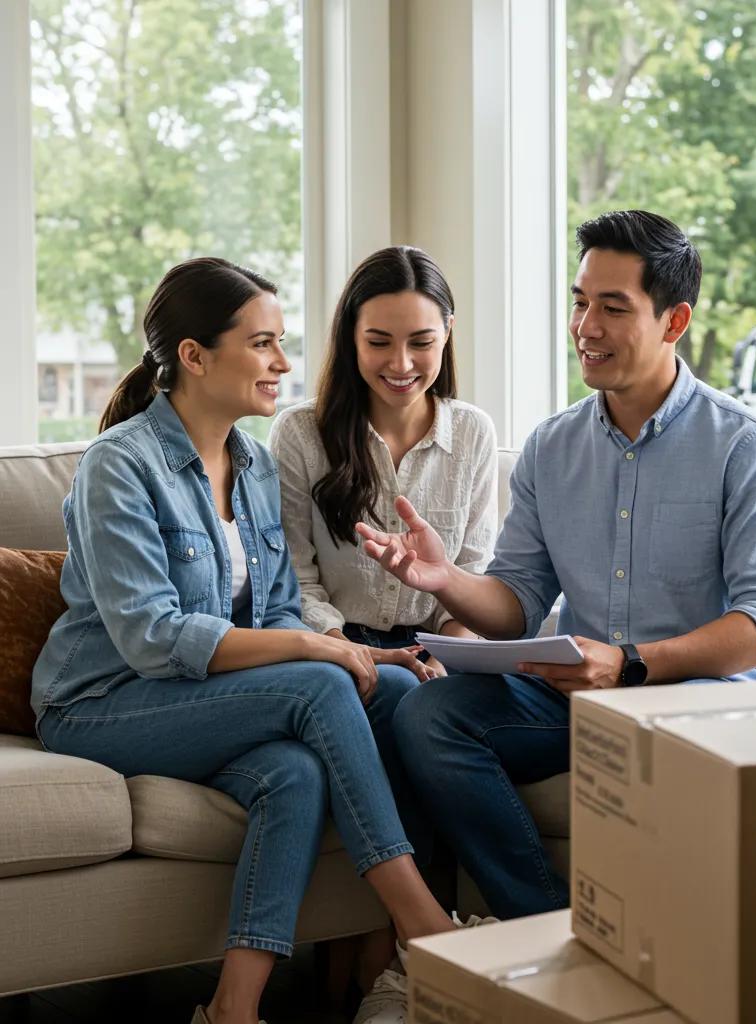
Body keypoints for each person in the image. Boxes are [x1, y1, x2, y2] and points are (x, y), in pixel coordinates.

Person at [31, 258, 463, 1024]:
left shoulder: (255, 465)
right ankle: (424, 926)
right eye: (263, 344)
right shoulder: (117, 466)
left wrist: (364, 650)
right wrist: (314, 652)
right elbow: (151, 637)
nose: (284, 364)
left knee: (323, 745)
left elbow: (275, 611)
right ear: (194, 356)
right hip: (101, 703)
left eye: (282, 343)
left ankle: (233, 1009)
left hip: (196, 698)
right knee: (323, 682)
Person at [356, 210, 756, 920]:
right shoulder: (552, 446)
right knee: (428, 715)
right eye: (579, 301)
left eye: (613, 308)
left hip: (698, 697)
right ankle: (539, 926)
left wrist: (629, 662)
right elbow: (520, 601)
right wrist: (446, 582)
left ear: (674, 320)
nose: (585, 326)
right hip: (579, 697)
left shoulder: (744, 445)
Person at [268, 245, 497, 680]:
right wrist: (349, 652)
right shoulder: (300, 433)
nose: (401, 363)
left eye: (421, 342)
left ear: (447, 332)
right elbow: (292, 576)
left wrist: (443, 660)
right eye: (378, 342)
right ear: (351, 336)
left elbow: (471, 572)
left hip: (441, 647)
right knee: (398, 693)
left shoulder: (473, 432)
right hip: (333, 644)